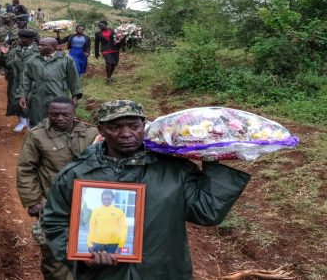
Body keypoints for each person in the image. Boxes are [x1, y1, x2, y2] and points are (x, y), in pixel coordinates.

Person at [42, 100, 251, 280]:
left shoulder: (175, 169)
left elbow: (207, 212)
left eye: (133, 126)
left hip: (163, 271)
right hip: (103, 273)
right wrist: (81, 256)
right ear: (101, 130)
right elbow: (54, 222)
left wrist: (214, 159)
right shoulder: (77, 173)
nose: (126, 134)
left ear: (144, 125)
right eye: (115, 127)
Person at [17, 96, 98, 280]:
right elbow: (26, 168)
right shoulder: (37, 135)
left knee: (90, 254)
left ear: (73, 114)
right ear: (48, 114)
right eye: (54, 115)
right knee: (55, 260)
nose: (60, 118)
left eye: (65, 115)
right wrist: (33, 200)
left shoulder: (91, 134)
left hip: (88, 207)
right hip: (53, 206)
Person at [17, 38, 82, 127]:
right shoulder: (33, 60)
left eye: (43, 45)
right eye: (39, 44)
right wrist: (23, 95)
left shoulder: (66, 59)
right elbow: (25, 79)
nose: (39, 47)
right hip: (38, 98)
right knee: (38, 123)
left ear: (53, 47)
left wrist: (75, 98)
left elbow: (73, 79)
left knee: (59, 122)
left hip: (59, 97)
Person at [3, 29, 39, 132]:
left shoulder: (38, 50)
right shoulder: (15, 50)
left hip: (32, 80)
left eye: (24, 38)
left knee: (31, 100)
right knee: (15, 100)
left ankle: (30, 123)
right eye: (20, 38)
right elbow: (8, 64)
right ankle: (22, 121)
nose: (21, 40)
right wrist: (4, 54)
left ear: (31, 39)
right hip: (16, 80)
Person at [86, 190, 128, 254]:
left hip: (113, 245)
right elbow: (92, 228)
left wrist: (121, 245)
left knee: (111, 263)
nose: (106, 200)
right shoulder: (96, 211)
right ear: (101, 199)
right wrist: (89, 244)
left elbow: (123, 229)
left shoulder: (119, 212)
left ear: (112, 199)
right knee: (96, 263)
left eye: (108, 199)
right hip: (97, 244)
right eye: (104, 199)